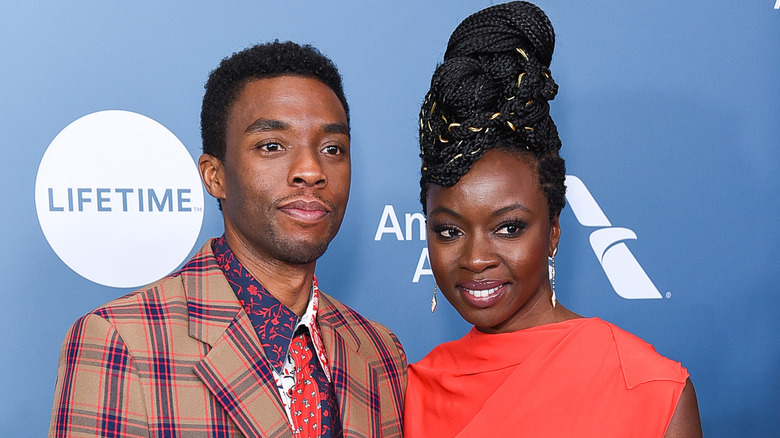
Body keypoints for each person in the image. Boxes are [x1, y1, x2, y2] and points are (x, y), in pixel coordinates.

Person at [49, 41, 406, 438]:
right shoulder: (122, 341)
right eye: (272, 146)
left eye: (332, 148)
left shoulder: (379, 351)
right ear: (214, 176)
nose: (311, 170)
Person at [404, 2, 702, 437]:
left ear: (554, 231)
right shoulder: (406, 394)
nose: (475, 258)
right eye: (449, 231)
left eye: (509, 227)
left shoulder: (650, 388)